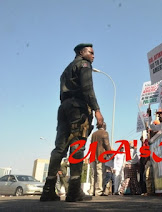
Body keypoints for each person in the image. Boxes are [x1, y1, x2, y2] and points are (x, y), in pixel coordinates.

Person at [40, 43, 104, 202]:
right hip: (78, 108)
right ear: (82, 53)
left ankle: (48, 190)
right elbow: (87, 88)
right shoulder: (84, 64)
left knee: (59, 148)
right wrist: (97, 110)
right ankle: (74, 192)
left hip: (63, 107)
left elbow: (62, 93)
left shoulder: (67, 69)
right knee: (77, 146)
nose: (93, 56)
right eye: (91, 53)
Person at [89, 122, 111, 196]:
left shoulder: (93, 134)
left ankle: (91, 190)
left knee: (93, 174)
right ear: (104, 126)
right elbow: (106, 144)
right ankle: (98, 191)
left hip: (93, 155)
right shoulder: (104, 133)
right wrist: (109, 153)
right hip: (101, 155)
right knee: (100, 173)